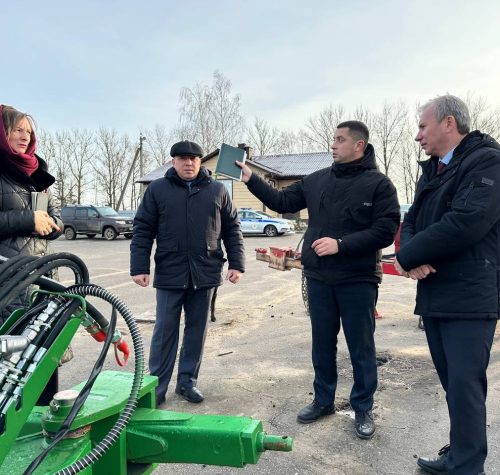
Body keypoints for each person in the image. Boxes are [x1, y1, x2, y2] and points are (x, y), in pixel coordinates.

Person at [237, 121, 400, 439]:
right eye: (333, 139)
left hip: (357, 279)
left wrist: (341, 245)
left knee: (361, 347)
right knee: (322, 344)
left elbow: (385, 230)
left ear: (359, 145)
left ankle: (362, 407)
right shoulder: (317, 180)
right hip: (319, 279)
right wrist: (250, 179)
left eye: (340, 140)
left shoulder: (379, 185)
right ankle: (323, 401)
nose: (333, 145)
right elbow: (282, 202)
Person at [395, 95, 500, 475]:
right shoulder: (434, 170)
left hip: (470, 296)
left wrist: (407, 257)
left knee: (465, 386)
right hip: (437, 292)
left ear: (449, 123)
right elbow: (412, 220)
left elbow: (465, 221)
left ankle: (467, 466)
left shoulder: (487, 162)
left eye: (423, 126)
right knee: (452, 384)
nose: (418, 135)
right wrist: (410, 255)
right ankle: (460, 453)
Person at [130, 140, 245, 406]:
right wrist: (139, 267)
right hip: (170, 273)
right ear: (173, 162)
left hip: (205, 273)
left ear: (200, 161)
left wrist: (237, 264)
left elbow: (232, 229)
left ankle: (187, 382)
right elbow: (143, 229)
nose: (189, 163)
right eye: (183, 158)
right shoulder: (158, 189)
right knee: (164, 332)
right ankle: (156, 388)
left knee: (197, 331)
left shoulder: (217, 190)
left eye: (194, 158)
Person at [0, 104, 63, 322]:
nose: (25, 136)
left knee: (41, 340)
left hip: (42, 276)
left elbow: (58, 219)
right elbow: (29, 220)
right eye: (18, 130)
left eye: (28, 132)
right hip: (7, 280)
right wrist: (29, 220)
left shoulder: (38, 175)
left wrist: (50, 225)